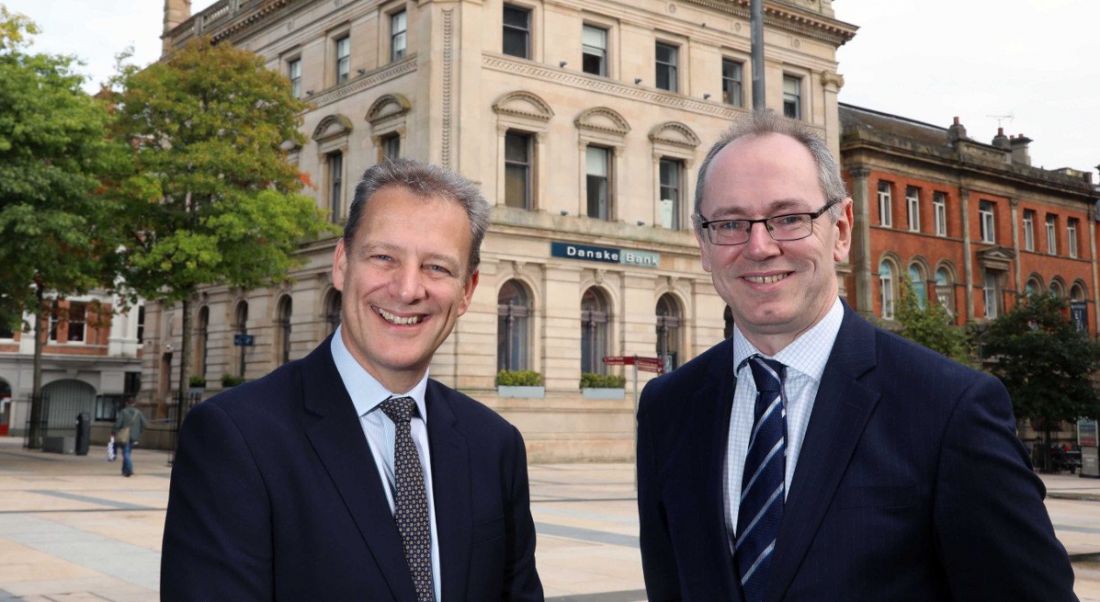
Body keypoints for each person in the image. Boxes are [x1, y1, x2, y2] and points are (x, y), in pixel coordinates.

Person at [635, 111, 1077, 601]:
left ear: (841, 229)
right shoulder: (667, 408)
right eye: (731, 223)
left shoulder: (950, 410)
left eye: (789, 219)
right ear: (703, 242)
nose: (759, 246)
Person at [161, 159, 544, 601]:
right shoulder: (236, 438)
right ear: (342, 264)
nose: (407, 289)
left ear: (467, 290)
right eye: (384, 258)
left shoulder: (495, 445)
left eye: (437, 267)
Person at [112, 395, 147, 477]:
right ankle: (124, 470)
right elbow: (145, 424)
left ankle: (129, 469)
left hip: (124, 436)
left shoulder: (123, 412)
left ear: (126, 403)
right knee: (128, 452)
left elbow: (118, 424)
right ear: (134, 403)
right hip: (134, 436)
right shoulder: (138, 412)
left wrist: (114, 431)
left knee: (126, 453)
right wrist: (139, 431)